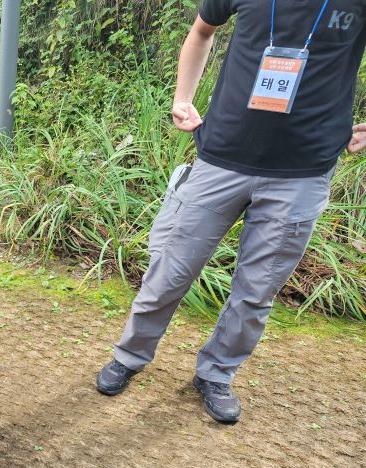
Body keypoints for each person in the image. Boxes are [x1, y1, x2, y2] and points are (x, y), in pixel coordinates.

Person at [96, 0, 366, 423]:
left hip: (302, 172)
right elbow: (202, 31)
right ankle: (130, 355)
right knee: (169, 268)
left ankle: (216, 373)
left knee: (256, 291)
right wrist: (182, 98)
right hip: (221, 156)